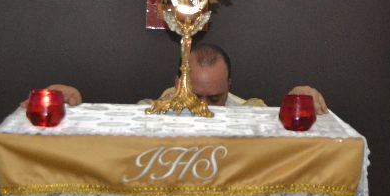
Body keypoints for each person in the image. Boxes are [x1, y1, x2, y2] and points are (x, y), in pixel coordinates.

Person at [28, 43, 328, 115]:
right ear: (178, 84)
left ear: (229, 86)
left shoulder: (250, 112)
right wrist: (72, 108)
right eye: (195, 97)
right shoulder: (151, 113)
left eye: (215, 99)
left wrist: (300, 98)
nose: (204, 108)